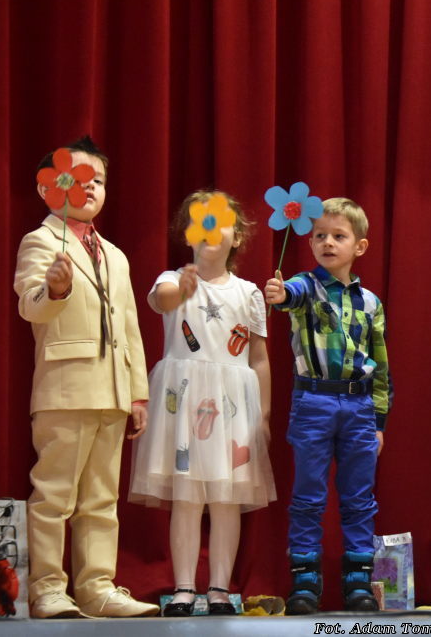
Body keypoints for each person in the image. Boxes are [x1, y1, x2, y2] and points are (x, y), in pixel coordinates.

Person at [13, 136, 158, 618]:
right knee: (54, 494)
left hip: (113, 390)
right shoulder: (40, 240)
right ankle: (47, 589)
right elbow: (30, 305)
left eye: (98, 180)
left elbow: (130, 326)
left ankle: (97, 587)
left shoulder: (115, 254)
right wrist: (54, 290)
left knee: (101, 498)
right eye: (78, 179)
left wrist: (137, 393)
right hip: (66, 387)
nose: (90, 187)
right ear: (49, 189)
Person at [130, 190, 275, 616]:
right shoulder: (171, 279)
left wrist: (263, 414)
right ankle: (183, 588)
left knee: (226, 500)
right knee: (188, 498)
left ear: (238, 237)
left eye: (220, 221)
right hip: (183, 404)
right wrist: (182, 290)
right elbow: (162, 301)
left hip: (232, 409)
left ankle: (219, 589)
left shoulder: (249, 293)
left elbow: (259, 358)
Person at [264, 197, 391, 615]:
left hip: (358, 406)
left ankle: (358, 582)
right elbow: (288, 296)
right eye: (320, 235)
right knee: (308, 495)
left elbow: (381, 365)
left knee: (359, 497)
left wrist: (378, 421)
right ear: (310, 241)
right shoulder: (305, 286)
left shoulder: (370, 303)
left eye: (339, 236)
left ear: (360, 246)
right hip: (314, 401)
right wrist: (280, 293)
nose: (328, 243)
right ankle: (305, 581)